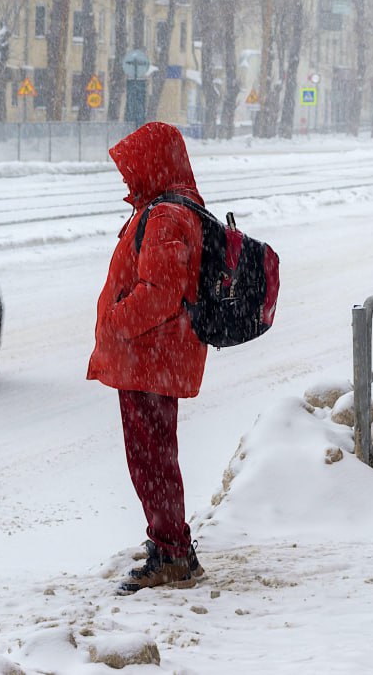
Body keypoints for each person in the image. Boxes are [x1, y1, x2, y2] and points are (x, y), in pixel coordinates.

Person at [88, 122, 208, 593]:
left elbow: (159, 293)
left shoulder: (164, 217)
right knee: (155, 458)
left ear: (154, 163)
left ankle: (172, 554)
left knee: (152, 460)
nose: (125, 177)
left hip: (149, 360)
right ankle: (170, 546)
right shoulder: (166, 208)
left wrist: (115, 321)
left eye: (131, 167)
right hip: (154, 358)